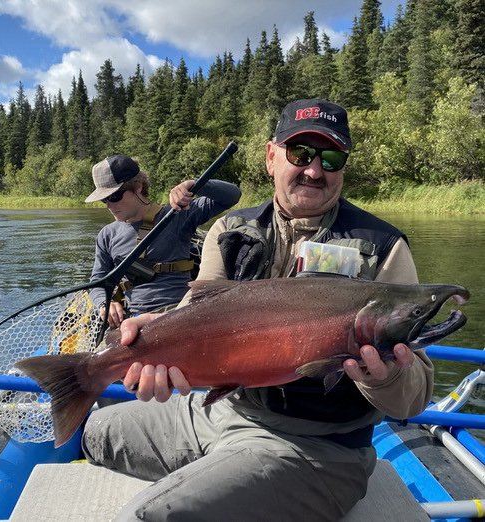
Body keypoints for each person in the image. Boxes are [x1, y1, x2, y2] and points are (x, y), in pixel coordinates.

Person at [81, 100, 434, 521]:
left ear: (343, 167)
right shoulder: (229, 231)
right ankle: (226, 475)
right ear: (271, 157)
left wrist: (389, 376)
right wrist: (156, 333)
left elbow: (413, 398)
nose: (314, 170)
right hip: (220, 410)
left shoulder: (383, 247)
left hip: (316, 446)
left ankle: (236, 480)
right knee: (95, 433)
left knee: (145, 518)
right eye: (299, 153)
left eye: (332, 158)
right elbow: (194, 313)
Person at [85, 154, 241, 327]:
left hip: (178, 312)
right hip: (132, 319)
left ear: (138, 187)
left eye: (114, 196)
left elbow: (232, 195)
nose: (109, 205)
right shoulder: (106, 235)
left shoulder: (178, 214)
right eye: (104, 199)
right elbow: (98, 280)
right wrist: (104, 303)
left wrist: (194, 184)